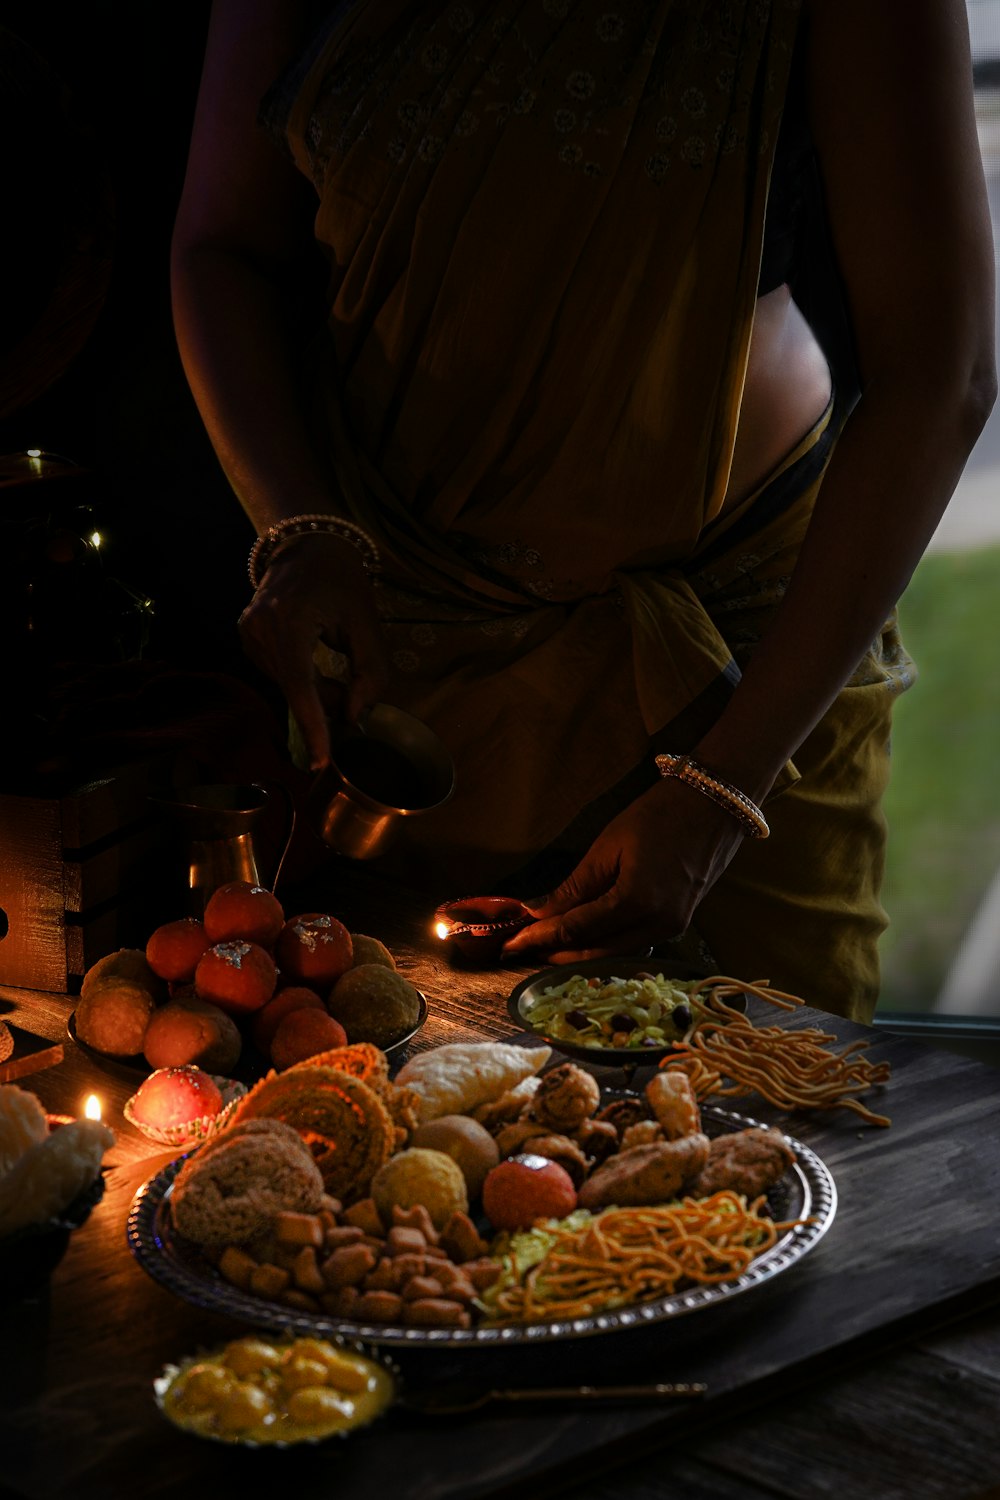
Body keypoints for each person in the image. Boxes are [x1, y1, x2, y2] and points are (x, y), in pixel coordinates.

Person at [170, 0, 996, 1021]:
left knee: (763, 1127)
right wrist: (298, 529)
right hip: (410, 658)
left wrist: (727, 784)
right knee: (409, 1126)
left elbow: (942, 368)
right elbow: (222, 246)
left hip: (740, 670)